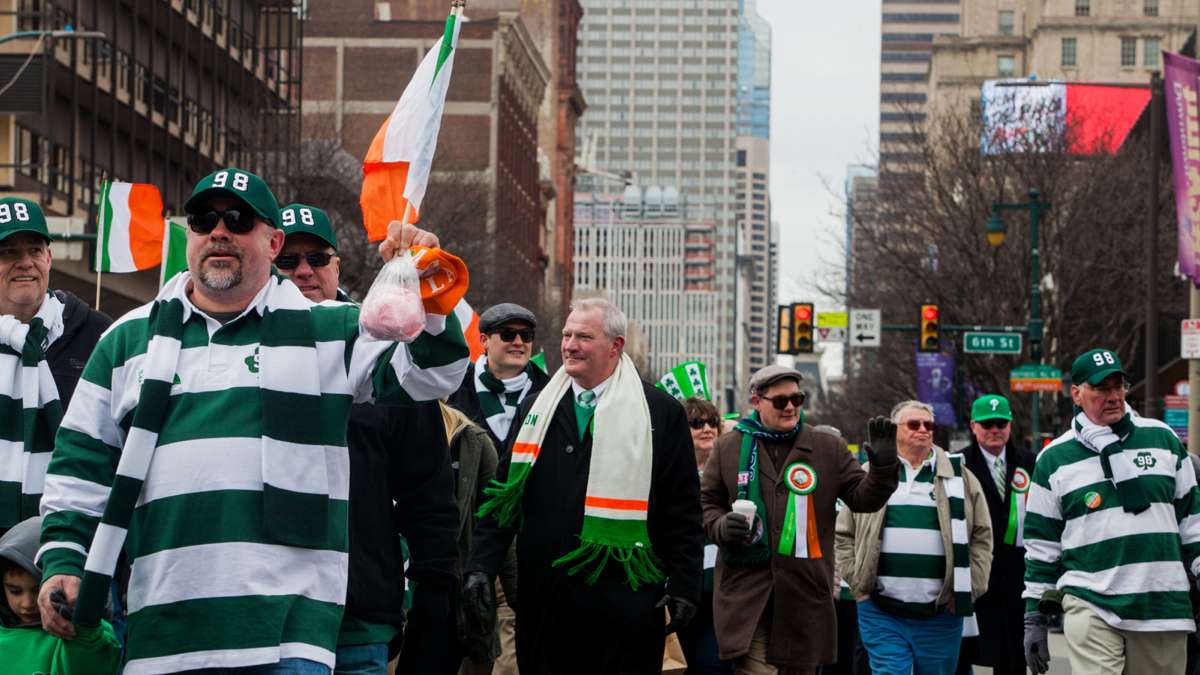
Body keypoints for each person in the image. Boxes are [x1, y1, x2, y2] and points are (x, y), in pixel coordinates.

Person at [36, 168, 471, 674]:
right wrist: (64, 561)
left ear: (272, 241)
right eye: (204, 218)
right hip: (163, 630)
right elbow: (80, 465)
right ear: (190, 236)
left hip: (286, 639)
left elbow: (434, 376)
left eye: (238, 219)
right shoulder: (128, 339)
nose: (219, 230)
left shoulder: (329, 329)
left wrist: (426, 281)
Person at [463, 297, 704, 674]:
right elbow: (503, 497)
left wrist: (686, 585)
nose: (570, 345)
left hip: (625, 605)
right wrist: (480, 566)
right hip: (547, 603)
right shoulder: (537, 409)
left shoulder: (660, 412)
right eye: (566, 335)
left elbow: (683, 510)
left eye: (584, 336)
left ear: (615, 346)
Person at [275, 203, 460, 675]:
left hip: (358, 612)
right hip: (270, 612)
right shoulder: (242, 352)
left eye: (317, 258)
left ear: (338, 264)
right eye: (288, 261)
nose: (303, 271)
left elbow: (427, 489)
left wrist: (435, 589)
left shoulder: (380, 352)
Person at [703, 365, 899, 675]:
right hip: (748, 595)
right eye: (781, 401)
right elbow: (706, 503)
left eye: (798, 399)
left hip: (804, 597)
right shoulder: (729, 447)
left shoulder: (827, 447)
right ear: (756, 401)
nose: (791, 407)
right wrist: (720, 525)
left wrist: (884, 468)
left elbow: (864, 500)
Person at [1023, 348, 1200, 675]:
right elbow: (1041, 547)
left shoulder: (1163, 439)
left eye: (1119, 386)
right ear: (1076, 393)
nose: (1114, 396)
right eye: (1102, 388)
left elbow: (1194, 524)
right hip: (1091, 603)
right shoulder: (1053, 459)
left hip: (1162, 606)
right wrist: (1034, 616)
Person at [835, 400, 992, 675]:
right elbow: (842, 533)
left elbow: (982, 534)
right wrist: (858, 582)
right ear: (895, 430)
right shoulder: (870, 476)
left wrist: (971, 586)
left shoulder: (958, 476)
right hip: (881, 611)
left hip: (941, 615)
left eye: (928, 425)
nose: (923, 430)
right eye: (914, 424)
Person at [0, 197, 110, 536]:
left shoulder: (99, 335)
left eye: (34, 250)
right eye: (8, 253)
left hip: (73, 532)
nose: (25, 263)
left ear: (49, 257)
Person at [954, 395, 1034, 675]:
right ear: (974, 426)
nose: (994, 430)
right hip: (976, 573)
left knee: (1014, 655)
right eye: (987, 424)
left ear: (1010, 425)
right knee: (967, 652)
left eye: (1000, 423)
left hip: (1017, 574)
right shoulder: (957, 465)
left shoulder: (1029, 462)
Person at [0, 516, 121, 674]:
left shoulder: (86, 637)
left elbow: (87, 660)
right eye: (15, 591)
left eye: (37, 590)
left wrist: (83, 626)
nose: (27, 603)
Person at [678, 396, 733, 675]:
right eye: (696, 423)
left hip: (719, 587)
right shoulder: (667, 471)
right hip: (677, 587)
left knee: (713, 666)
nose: (707, 428)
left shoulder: (732, 473)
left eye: (713, 422)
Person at [449, 302, 550, 451]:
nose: (518, 342)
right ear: (484, 340)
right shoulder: (454, 388)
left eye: (526, 335)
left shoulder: (549, 392)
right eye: (507, 334)